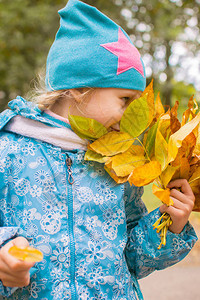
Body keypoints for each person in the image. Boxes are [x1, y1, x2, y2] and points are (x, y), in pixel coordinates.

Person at [0, 0, 197, 299]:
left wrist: (169, 224)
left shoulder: (120, 162)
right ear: (80, 89)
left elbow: (131, 257)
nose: (133, 115)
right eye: (125, 100)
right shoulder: (9, 151)